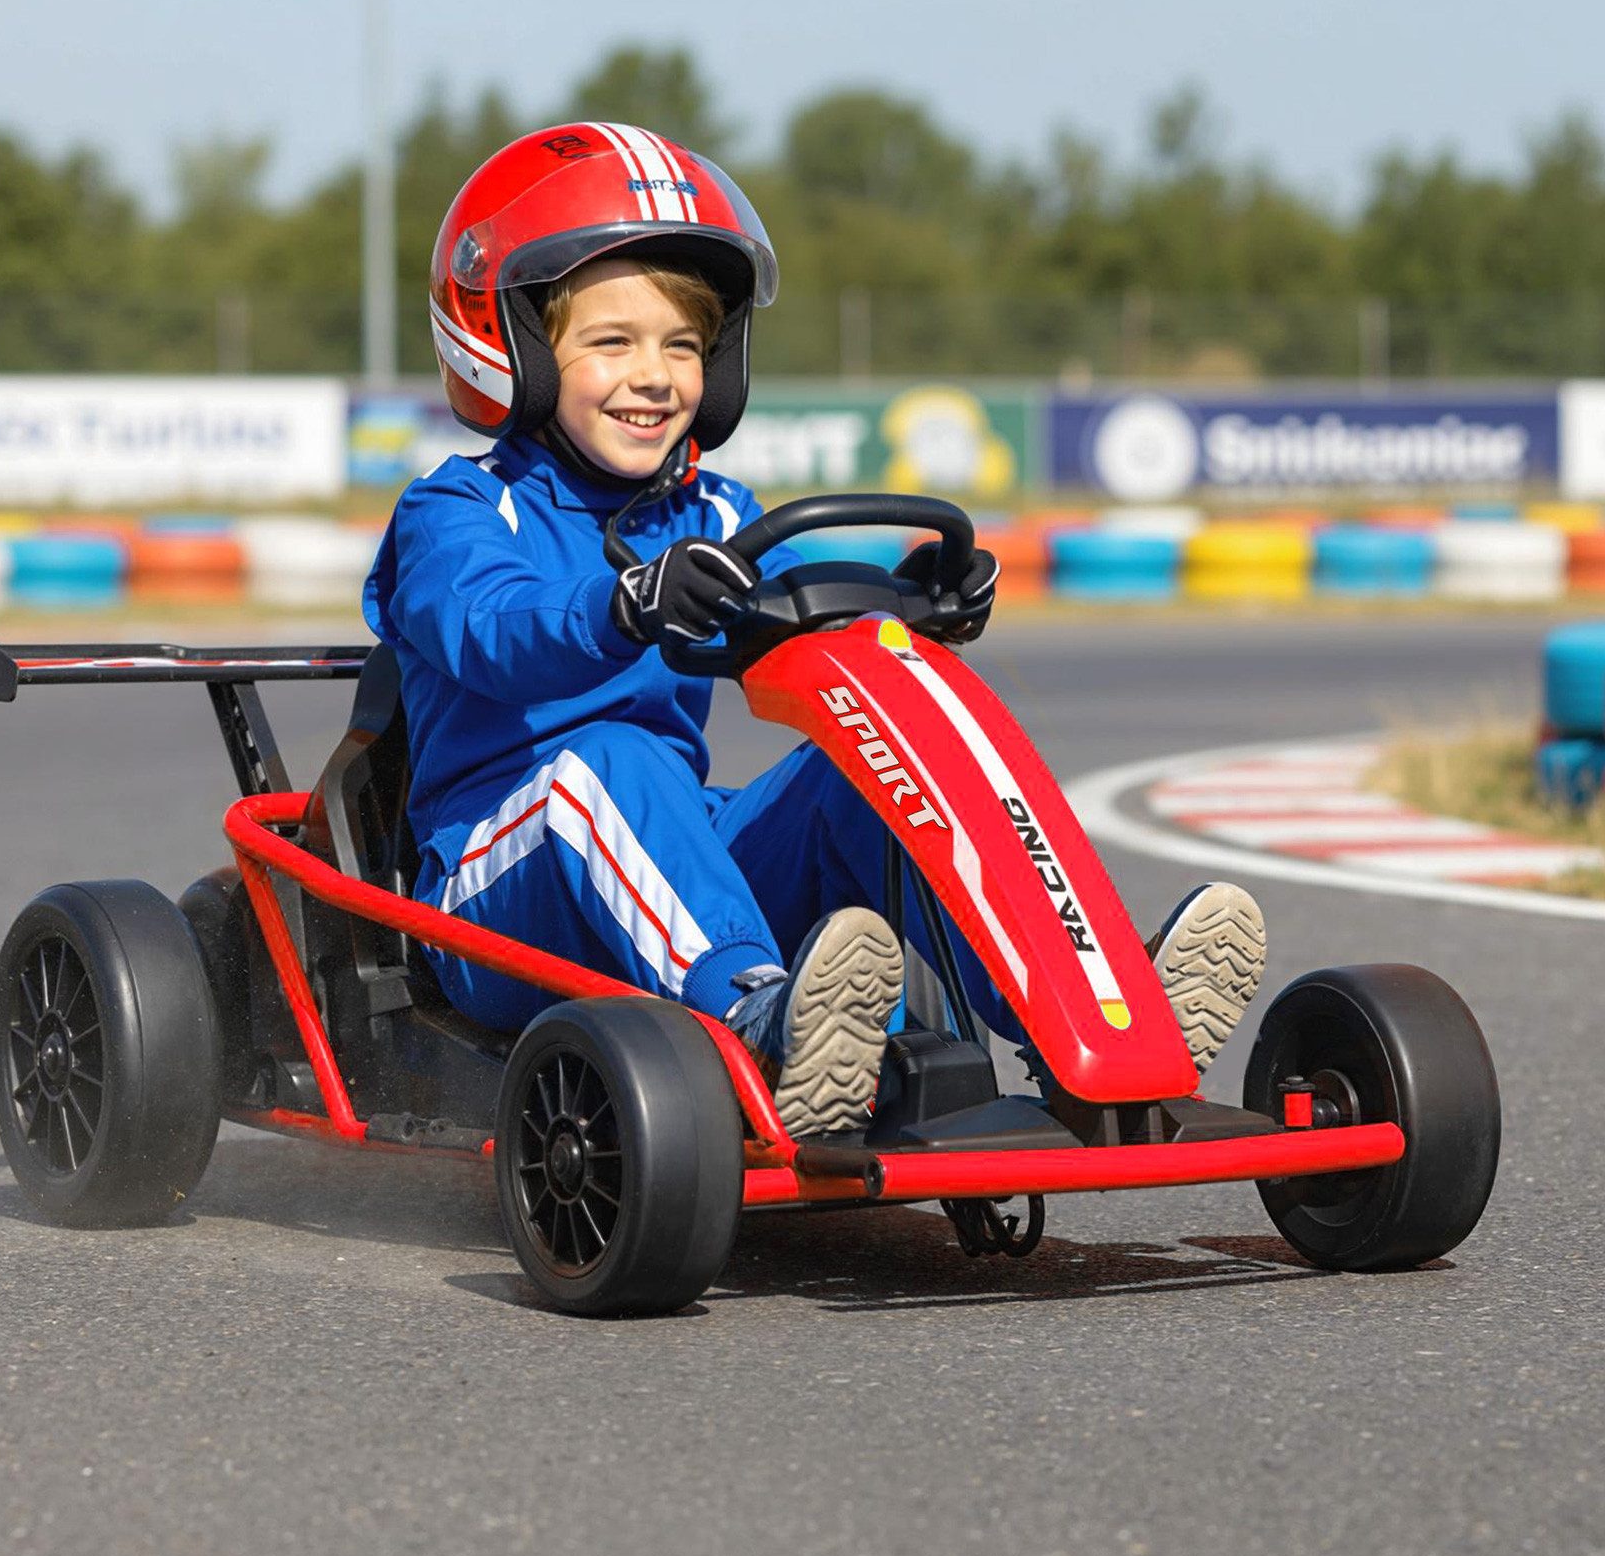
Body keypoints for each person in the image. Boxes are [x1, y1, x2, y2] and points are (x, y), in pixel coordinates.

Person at [364, 123, 1266, 1135]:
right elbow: (490, 625)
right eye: (611, 343)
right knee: (609, 761)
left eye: (682, 345)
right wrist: (623, 604)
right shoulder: (456, 511)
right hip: (493, 894)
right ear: (513, 347)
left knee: (867, 769)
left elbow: (802, 613)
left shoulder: (715, 512)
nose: (655, 376)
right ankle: (761, 1025)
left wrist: (908, 604)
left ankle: (1085, 1027)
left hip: (667, 854)